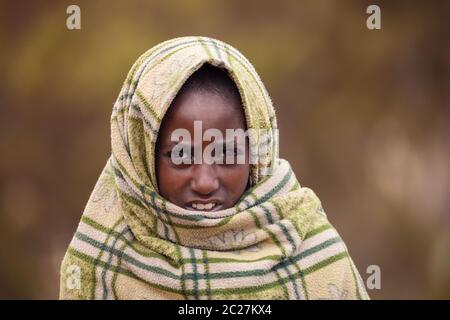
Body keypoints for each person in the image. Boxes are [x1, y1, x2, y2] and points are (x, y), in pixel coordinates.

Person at [60, 36, 369, 300]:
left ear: (256, 155)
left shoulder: (313, 251)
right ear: (143, 156)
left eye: (227, 153)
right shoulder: (99, 261)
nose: (205, 182)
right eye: (181, 155)